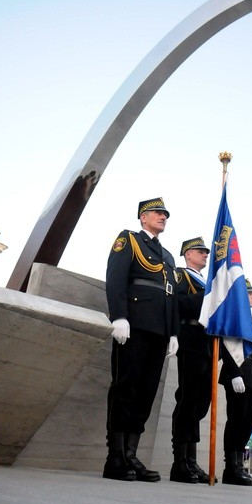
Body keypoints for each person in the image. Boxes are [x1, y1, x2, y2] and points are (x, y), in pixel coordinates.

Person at [103, 197, 179, 483]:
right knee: (125, 386)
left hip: (159, 331)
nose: (163, 217)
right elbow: (116, 277)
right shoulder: (129, 240)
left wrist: (174, 332)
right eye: (158, 213)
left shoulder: (168, 256)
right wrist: (119, 316)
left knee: (146, 392)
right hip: (133, 324)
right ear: (143, 217)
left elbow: (170, 296)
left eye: (165, 214)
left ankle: (132, 455)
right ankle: (115, 457)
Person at [170, 237, 213, 484]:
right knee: (187, 400)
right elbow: (178, 303)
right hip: (190, 339)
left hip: (206, 343)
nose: (205, 255)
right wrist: (208, 298)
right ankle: (180, 462)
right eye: (201, 252)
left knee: (200, 403)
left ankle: (191, 459)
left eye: (206, 252)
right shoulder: (181, 276)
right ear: (188, 254)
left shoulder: (208, 283)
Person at [219, 278, 252, 486]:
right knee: (236, 421)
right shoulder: (233, 317)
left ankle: (240, 467)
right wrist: (233, 373)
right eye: (249, 293)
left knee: (247, 423)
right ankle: (231, 468)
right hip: (238, 376)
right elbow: (226, 346)